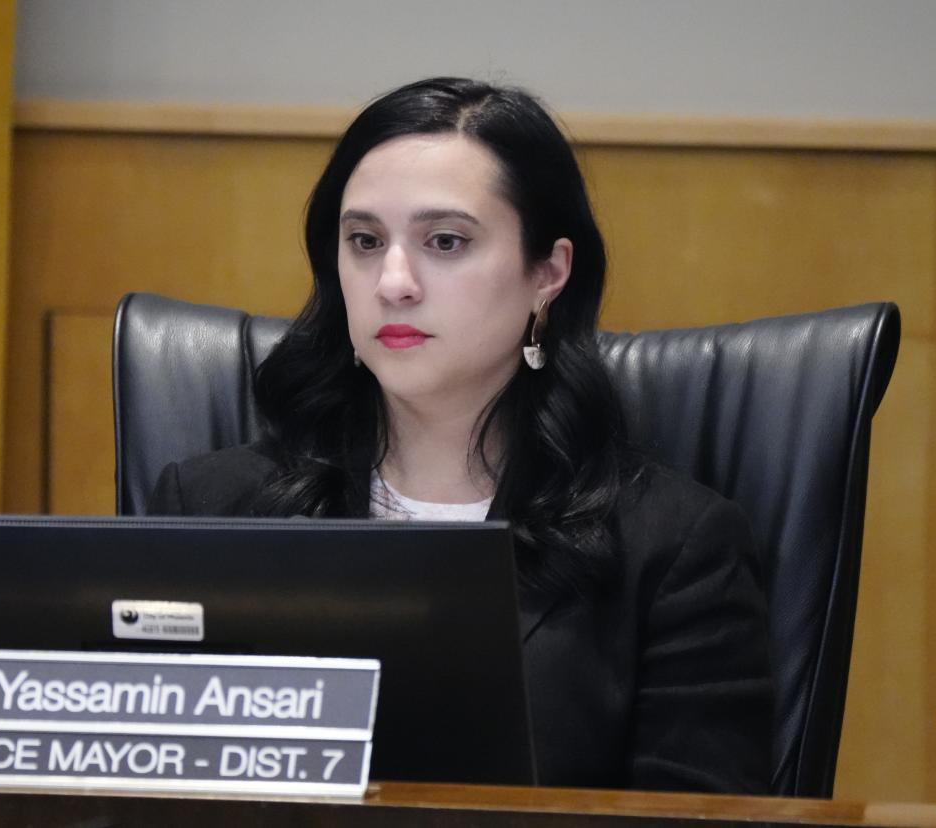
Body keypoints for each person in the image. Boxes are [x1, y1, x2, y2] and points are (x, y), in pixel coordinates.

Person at [147, 77, 772, 793]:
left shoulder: (675, 550)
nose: (394, 281)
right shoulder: (209, 508)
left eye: (445, 241)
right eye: (364, 241)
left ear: (548, 273)